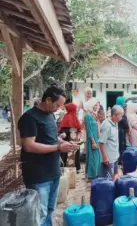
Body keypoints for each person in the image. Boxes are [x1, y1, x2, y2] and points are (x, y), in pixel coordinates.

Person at [18, 85, 78, 226]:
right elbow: (29, 145)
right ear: (49, 100)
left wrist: (64, 143)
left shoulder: (50, 115)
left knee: (50, 209)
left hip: (53, 172)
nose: (59, 108)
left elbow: (51, 137)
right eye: (57, 105)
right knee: (40, 213)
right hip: (39, 175)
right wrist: (58, 147)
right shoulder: (29, 117)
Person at [99, 105, 124, 178]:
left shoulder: (115, 122)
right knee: (107, 181)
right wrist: (105, 157)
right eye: (120, 116)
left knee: (114, 178)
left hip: (115, 156)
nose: (121, 118)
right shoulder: (106, 125)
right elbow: (101, 142)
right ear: (114, 115)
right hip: (108, 158)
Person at [58, 103, 82, 172]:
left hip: (73, 140)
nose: (77, 110)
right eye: (75, 109)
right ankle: (72, 169)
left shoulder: (67, 116)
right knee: (69, 155)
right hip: (69, 140)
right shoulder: (70, 117)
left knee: (73, 154)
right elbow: (65, 130)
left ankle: (72, 168)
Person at [84, 98, 101, 180]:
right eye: (94, 105)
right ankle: (92, 174)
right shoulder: (87, 115)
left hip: (96, 138)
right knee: (93, 157)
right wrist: (93, 142)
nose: (96, 106)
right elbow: (89, 130)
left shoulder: (93, 115)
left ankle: (96, 173)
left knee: (97, 156)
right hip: (92, 139)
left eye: (96, 105)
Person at [116, 96, 129, 164]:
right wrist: (127, 128)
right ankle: (120, 160)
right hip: (121, 130)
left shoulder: (115, 108)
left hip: (116, 129)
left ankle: (118, 159)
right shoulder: (120, 110)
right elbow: (124, 121)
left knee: (117, 145)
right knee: (121, 145)